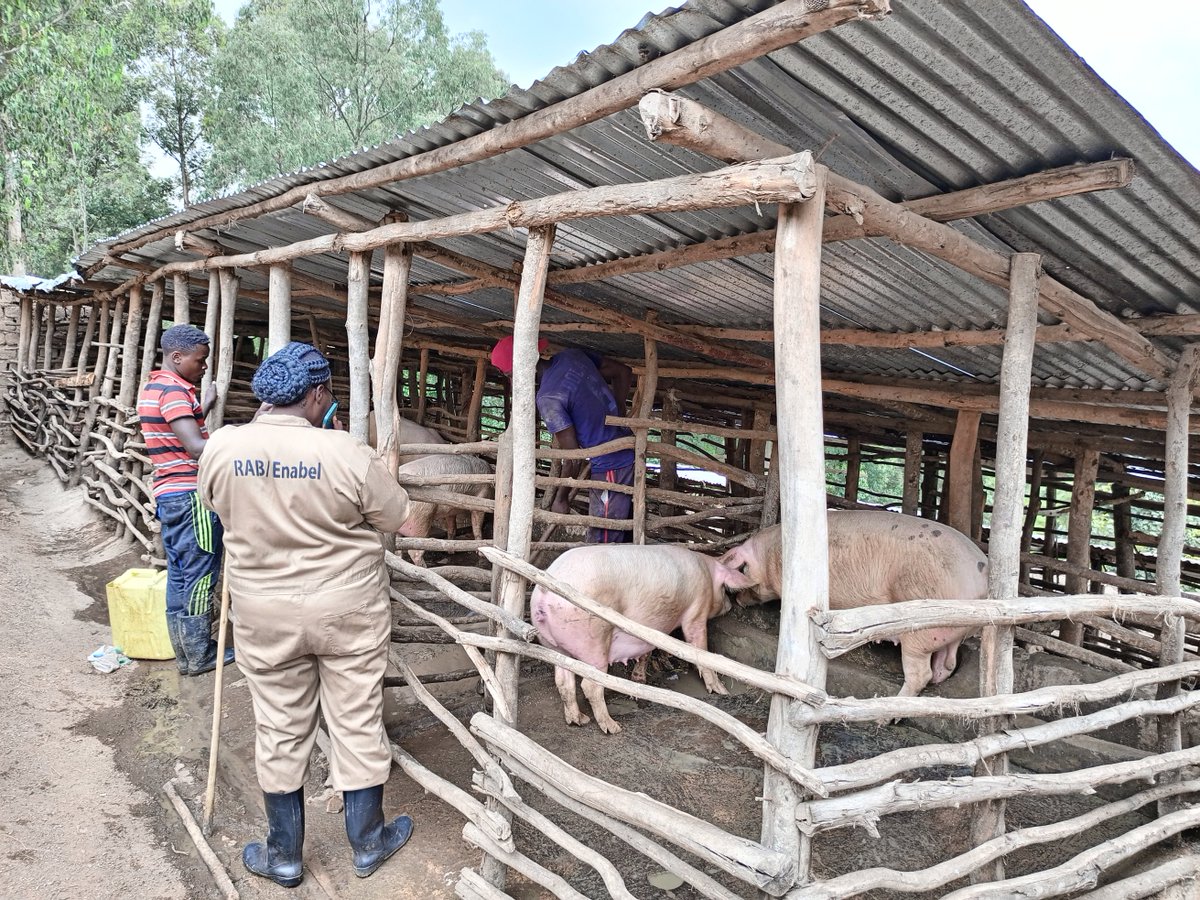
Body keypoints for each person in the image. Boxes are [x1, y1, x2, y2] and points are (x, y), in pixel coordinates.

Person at [197, 341, 413, 888]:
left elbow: (214, 505)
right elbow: (395, 516)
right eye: (328, 394)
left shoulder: (222, 447)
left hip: (263, 610)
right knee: (357, 717)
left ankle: (284, 855)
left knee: (279, 725)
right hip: (347, 608)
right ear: (317, 395)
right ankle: (368, 843)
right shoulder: (344, 451)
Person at [137, 324, 233, 676]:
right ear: (177, 357)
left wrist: (203, 407)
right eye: (200, 360)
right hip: (192, 496)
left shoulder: (155, 387)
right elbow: (194, 447)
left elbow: (175, 431)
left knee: (179, 574)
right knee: (201, 573)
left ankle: (184, 654)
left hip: (169, 494)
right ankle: (200, 654)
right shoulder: (175, 392)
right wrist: (238, 440)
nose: (204, 367)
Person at [490, 335, 634, 543]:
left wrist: (561, 498)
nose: (512, 382)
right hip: (626, 450)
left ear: (523, 367)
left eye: (511, 375)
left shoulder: (549, 398)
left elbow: (573, 458)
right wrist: (619, 413)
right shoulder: (572, 357)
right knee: (624, 536)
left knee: (603, 542)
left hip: (611, 465)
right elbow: (623, 372)